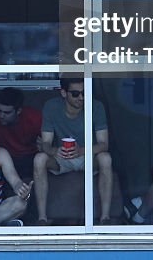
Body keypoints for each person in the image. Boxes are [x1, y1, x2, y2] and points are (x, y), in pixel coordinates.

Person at [32, 77, 114, 225]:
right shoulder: (51, 107)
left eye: (84, 93)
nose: (81, 98)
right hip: (61, 158)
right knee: (39, 159)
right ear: (64, 93)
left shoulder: (96, 106)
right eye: (75, 94)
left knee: (106, 158)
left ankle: (105, 217)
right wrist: (54, 151)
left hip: (87, 156)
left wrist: (81, 151)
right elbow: (45, 143)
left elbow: (104, 144)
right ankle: (42, 218)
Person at [0, 87, 42, 181]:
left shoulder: (34, 118)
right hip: (4, 158)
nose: (1, 116)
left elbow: (47, 141)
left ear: (18, 111)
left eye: (7, 112)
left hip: (29, 158)